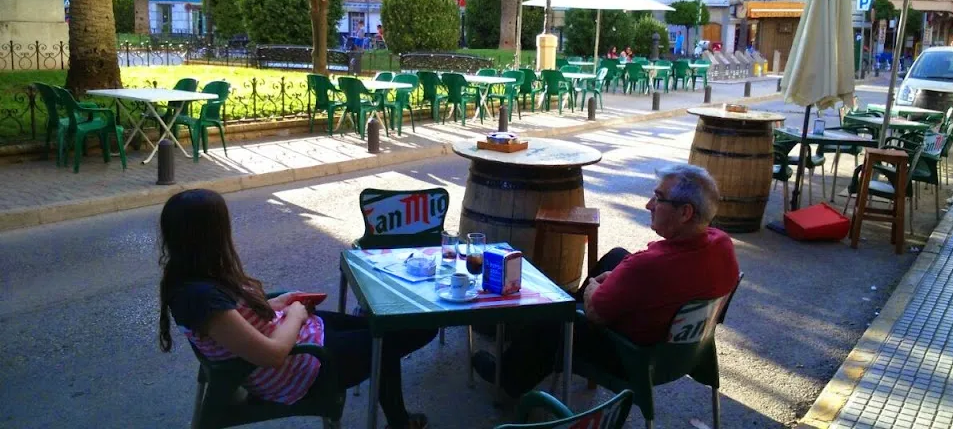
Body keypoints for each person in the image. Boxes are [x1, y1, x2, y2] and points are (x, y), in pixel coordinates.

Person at [158, 189, 435, 429]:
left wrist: (277, 304)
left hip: (298, 338)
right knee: (384, 344)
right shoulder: (203, 300)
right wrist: (296, 314)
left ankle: (397, 410)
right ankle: (400, 421)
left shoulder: (190, 275)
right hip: (297, 368)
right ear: (209, 237)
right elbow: (274, 355)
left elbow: (238, 318)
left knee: (387, 328)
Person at [471, 164, 741, 397]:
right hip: (687, 348)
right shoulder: (721, 243)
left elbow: (595, 313)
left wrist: (597, 288)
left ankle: (507, 378)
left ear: (685, 213)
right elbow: (658, 276)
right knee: (617, 256)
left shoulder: (648, 267)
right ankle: (533, 346)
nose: (649, 205)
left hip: (634, 355)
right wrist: (621, 278)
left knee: (557, 314)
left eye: (659, 198)